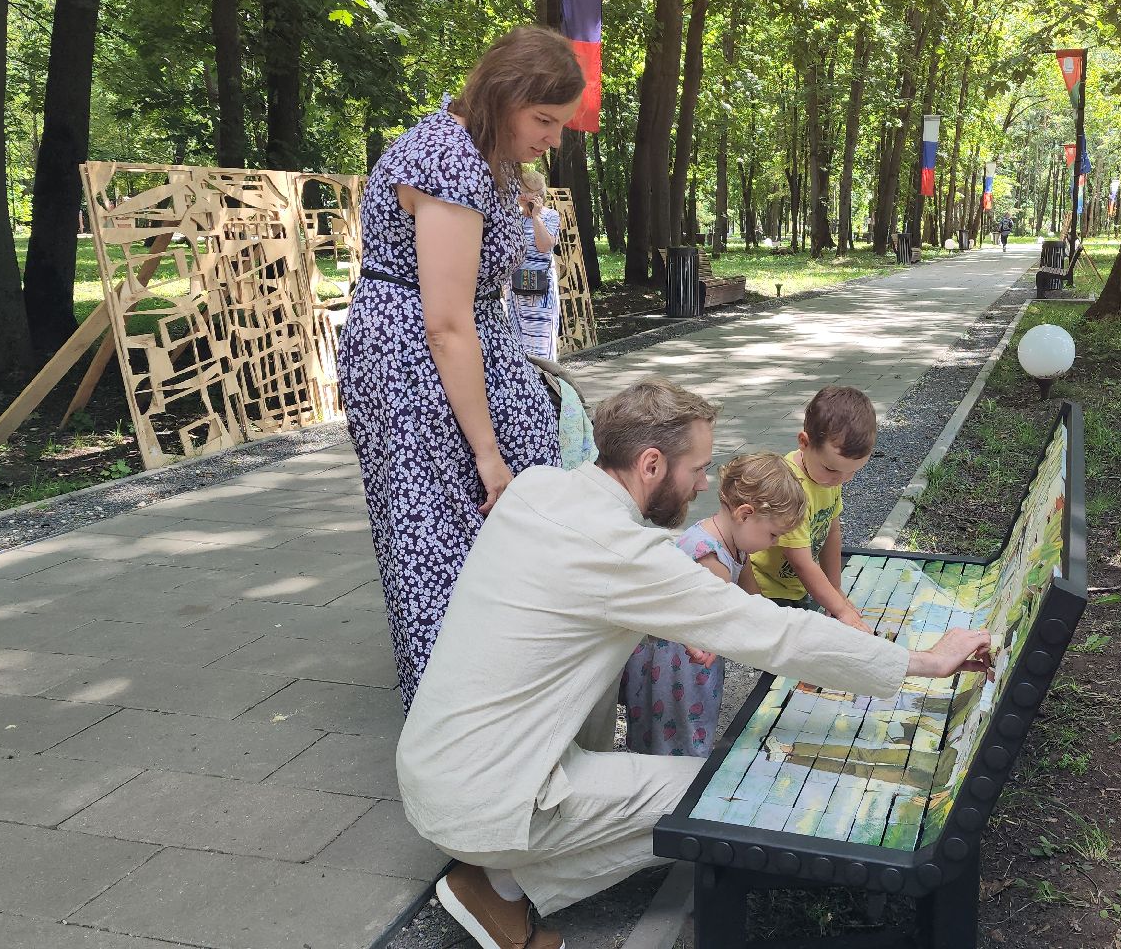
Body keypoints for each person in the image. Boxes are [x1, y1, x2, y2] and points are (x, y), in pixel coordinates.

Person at [395, 379, 992, 949]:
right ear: (651, 464)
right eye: (698, 468)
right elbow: (774, 632)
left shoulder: (537, 488)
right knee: (717, 796)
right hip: (488, 794)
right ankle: (502, 878)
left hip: (435, 763)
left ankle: (498, 878)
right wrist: (925, 662)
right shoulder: (627, 554)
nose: (706, 485)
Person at [339, 25, 584, 711]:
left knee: (513, 515)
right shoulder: (446, 162)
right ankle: (459, 719)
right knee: (439, 530)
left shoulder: (481, 151)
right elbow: (445, 326)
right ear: (503, 97)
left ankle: (511, 695)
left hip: (464, 349)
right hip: (418, 363)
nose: (552, 140)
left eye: (559, 125)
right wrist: (486, 452)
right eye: (543, 120)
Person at [618, 452, 805, 757]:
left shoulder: (737, 545)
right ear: (744, 514)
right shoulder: (711, 557)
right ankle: (677, 785)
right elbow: (729, 623)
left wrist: (780, 631)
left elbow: (753, 602)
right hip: (677, 663)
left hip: (696, 651)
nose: (774, 544)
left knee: (688, 722)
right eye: (773, 535)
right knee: (676, 730)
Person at [747, 386, 875, 630]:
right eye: (832, 469)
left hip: (795, 586)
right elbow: (801, 562)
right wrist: (839, 608)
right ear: (804, 442)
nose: (841, 479)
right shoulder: (791, 488)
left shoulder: (828, 477)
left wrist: (835, 588)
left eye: (853, 472)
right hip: (768, 590)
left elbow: (832, 531)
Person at [508, 167, 564, 360]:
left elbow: (544, 246)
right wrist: (515, 208)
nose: (528, 196)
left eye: (534, 193)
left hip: (541, 287)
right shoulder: (511, 216)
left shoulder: (551, 216)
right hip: (515, 287)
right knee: (517, 341)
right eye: (524, 190)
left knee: (541, 343)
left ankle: (544, 380)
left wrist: (536, 217)